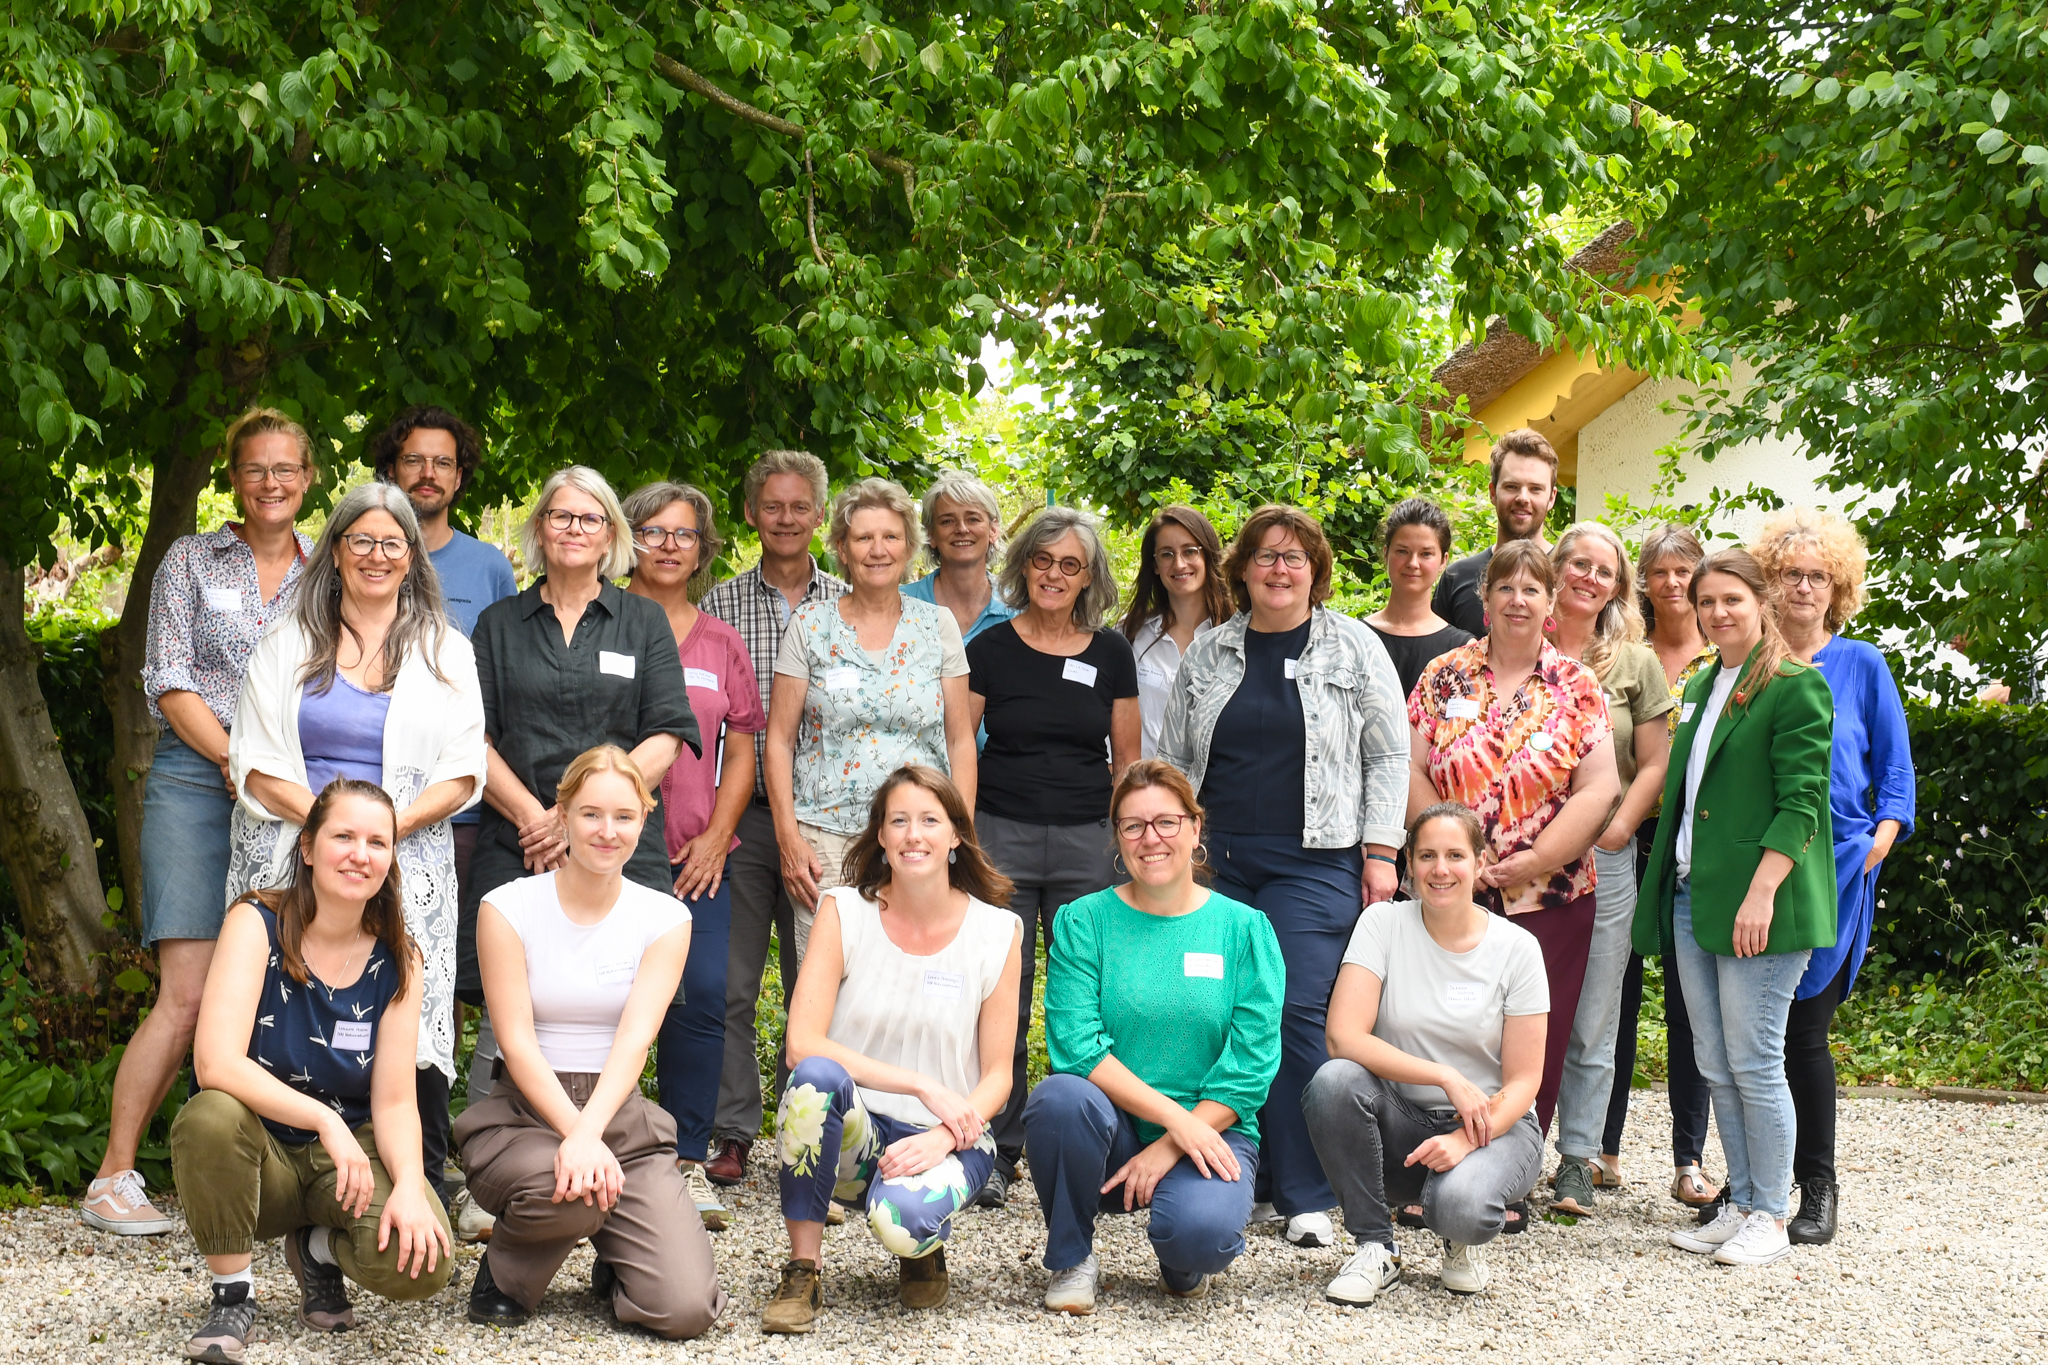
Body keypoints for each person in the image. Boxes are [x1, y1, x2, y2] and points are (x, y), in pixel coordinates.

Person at [225, 482, 487, 1215]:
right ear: (335, 552)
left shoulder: (446, 651)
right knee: (273, 998)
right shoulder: (286, 643)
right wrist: (331, 831)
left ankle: (412, 1182)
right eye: (360, 540)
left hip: (406, 856)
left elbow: (464, 769)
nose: (376, 555)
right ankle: (258, 1185)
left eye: (391, 542)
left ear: (412, 556)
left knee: (405, 1006)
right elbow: (253, 760)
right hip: (291, 846)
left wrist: (379, 835)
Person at [86, 408, 317, 1237]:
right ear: (233, 477)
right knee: (185, 995)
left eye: (285, 468)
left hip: (291, 786)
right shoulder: (189, 558)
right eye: (255, 468)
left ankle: (261, 1176)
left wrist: (270, 774)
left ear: (308, 478)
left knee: (281, 986)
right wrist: (233, 759)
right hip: (195, 777)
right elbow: (169, 676)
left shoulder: (327, 570)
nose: (270, 482)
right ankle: (112, 1177)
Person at [1158, 504, 1408, 1251]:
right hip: (1217, 860)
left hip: (1316, 859)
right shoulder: (1210, 652)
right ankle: (1238, 1173)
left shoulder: (1355, 646)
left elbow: (1388, 755)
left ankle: (1305, 1191)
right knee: (1217, 1009)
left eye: (1294, 557)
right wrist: (1168, 843)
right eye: (1265, 555)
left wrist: (1382, 851)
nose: (1279, 569)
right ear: (1242, 569)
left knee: (1297, 1009)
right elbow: (1174, 757)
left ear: (1315, 570)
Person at [170, 780, 452, 1364]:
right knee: (209, 1115)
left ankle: (317, 1249)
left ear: (391, 858)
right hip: (259, 1152)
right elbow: (214, 1061)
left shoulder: (400, 957)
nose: (360, 854)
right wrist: (325, 1121)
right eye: (343, 836)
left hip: (345, 1161)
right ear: (307, 847)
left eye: (377, 842)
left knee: (425, 1261)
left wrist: (407, 1185)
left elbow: (396, 1101)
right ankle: (233, 1296)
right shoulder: (256, 922)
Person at [456, 746, 725, 1337]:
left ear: (644, 820)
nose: (607, 831)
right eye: (591, 814)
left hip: (619, 1118)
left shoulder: (664, 918)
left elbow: (634, 1042)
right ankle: (504, 1274)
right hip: (525, 1115)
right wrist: (575, 1135)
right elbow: (516, 1043)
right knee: (574, 1193)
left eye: (624, 816)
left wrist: (591, 1132)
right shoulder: (507, 906)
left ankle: (619, 1257)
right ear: (562, 816)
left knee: (684, 1309)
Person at [460, 467, 700, 1107]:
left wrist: (589, 817)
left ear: (610, 535)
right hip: (521, 836)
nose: (575, 528)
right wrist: (540, 820)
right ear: (541, 528)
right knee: (509, 1000)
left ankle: (611, 1131)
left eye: (590, 518)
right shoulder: (498, 624)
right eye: (561, 516)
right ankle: (492, 1136)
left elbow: (668, 733)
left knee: (623, 997)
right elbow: (471, 738)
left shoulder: (643, 622)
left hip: (619, 840)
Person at [760, 766, 1023, 1333]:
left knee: (901, 1224)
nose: (913, 835)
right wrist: (921, 1085)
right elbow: (801, 1043)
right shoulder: (843, 911)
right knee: (814, 1078)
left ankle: (921, 1247)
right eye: (898, 821)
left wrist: (944, 1134)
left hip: (951, 1135)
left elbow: (999, 1077)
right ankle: (803, 1268)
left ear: (956, 835)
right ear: (880, 835)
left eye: (930, 820)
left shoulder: (997, 931)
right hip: (858, 1132)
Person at [1632, 548, 1836, 1269]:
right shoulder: (1703, 681)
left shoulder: (1795, 686)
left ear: (1761, 602)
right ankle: (1744, 1202)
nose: (1718, 612)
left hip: (1760, 904)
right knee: (1715, 1060)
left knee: (1754, 1059)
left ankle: (1773, 1214)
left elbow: (1803, 802)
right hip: (1697, 893)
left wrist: (1762, 891)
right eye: (1706, 601)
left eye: (1731, 599)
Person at [1024, 760, 1284, 1314]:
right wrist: (1172, 1120)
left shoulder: (1244, 929)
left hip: (1211, 1128)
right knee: (1058, 1099)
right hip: (1111, 1129)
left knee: (1200, 1237)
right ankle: (1072, 1256)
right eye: (1134, 825)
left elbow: (1250, 1066)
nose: (1151, 838)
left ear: (1195, 827)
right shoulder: (1084, 922)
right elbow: (1077, 1046)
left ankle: (1182, 1260)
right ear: (1118, 838)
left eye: (1166, 822)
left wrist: (1173, 1142)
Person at [1408, 541, 1620, 1142]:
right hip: (1451, 891)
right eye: (1505, 587)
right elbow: (1410, 768)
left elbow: (1600, 786)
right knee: (1447, 1028)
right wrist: (1455, 856)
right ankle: (1438, 1151)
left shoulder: (1577, 685)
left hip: (1550, 896)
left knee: (1535, 1039)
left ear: (1551, 601)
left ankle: (1512, 1164)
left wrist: (1539, 857)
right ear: (1485, 597)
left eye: (1531, 589)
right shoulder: (1443, 674)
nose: (1517, 600)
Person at [1303, 802, 1548, 1304]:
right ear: (1409, 864)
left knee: (1461, 1208)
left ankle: (1458, 1239)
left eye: (1455, 855)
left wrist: (1465, 1139)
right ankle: (1375, 1247)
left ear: (1480, 863)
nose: (1441, 870)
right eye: (1427, 856)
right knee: (1333, 1081)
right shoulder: (1382, 924)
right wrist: (1444, 1076)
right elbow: (1343, 1037)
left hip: (1493, 1126)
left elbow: (1524, 1081)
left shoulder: (1518, 948)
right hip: (1400, 1123)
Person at [966, 506, 1139, 1208]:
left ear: (1089, 576)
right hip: (999, 834)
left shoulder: (1111, 653)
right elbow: (962, 745)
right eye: (1043, 560)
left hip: (1086, 841)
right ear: (1023, 565)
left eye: (1071, 564)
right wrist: (964, 837)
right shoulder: (990, 648)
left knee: (1088, 995)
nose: (1055, 574)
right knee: (1000, 992)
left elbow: (1127, 759)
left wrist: (1126, 845)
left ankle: (1089, 1141)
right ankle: (995, 1147)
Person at [1753, 508, 1914, 1246]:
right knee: (1750, 1031)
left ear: (1838, 586)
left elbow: (1896, 771)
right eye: (1791, 574)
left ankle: (1817, 1185)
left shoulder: (1863, 664)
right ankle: (1757, 1180)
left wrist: (1880, 839)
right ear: (1770, 582)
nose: (1804, 587)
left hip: (1840, 866)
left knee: (1804, 1028)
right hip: (1760, 865)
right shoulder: (1751, 663)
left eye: (1819, 575)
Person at [699, 450, 847, 1188]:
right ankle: (732, 1128)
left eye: (799, 506)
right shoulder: (718, 605)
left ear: (819, 514)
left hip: (828, 821)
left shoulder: (850, 602)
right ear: (751, 514)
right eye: (772, 506)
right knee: (730, 982)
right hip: (740, 817)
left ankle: (808, 1130)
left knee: (815, 983)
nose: (786, 519)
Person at [621, 479, 766, 1231]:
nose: (668, 545)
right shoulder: (606, 625)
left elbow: (740, 749)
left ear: (704, 548)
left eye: (684, 533)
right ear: (629, 539)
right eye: (653, 530)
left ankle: (684, 1158)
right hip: (611, 854)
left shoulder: (721, 642)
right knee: (603, 1000)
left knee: (704, 997)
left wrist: (716, 835)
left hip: (698, 857)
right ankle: (599, 1149)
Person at [765, 476, 976, 960]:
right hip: (826, 840)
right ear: (842, 548)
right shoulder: (810, 625)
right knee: (828, 978)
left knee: (910, 973)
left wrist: (957, 834)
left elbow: (961, 740)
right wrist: (788, 838)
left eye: (890, 537)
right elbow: (779, 740)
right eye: (863, 537)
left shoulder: (938, 625)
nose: (877, 550)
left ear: (909, 547)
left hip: (917, 840)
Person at [1539, 524, 1671, 1219]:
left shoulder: (1636, 663)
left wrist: (1618, 830)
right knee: (1515, 1004)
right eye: (1578, 564)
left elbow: (1655, 762)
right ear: (1555, 568)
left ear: (1618, 586)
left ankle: (1577, 1158)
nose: (1589, 577)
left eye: (1604, 570)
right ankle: (1506, 1147)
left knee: (1594, 1010)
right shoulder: (1519, 646)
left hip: (1605, 857)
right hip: (1522, 860)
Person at [1602, 523, 1721, 1209]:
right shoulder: (1624, 649)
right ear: (1642, 580)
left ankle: (1689, 1158)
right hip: (1628, 836)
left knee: (1689, 1003)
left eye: (1685, 570)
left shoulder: (1725, 652)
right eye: (1660, 571)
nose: (1673, 583)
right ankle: (1604, 1150)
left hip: (1695, 847)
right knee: (1614, 1000)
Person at [368, 404, 515, 637]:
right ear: (392, 470)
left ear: (458, 478)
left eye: (443, 463)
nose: (428, 473)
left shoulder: (491, 569)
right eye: (413, 460)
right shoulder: (362, 560)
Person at [1119, 505, 1232, 759]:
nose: (1179, 564)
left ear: (1208, 556)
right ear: (1155, 565)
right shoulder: (1130, 635)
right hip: (1147, 780)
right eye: (1167, 554)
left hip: (1218, 781)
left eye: (1190, 551)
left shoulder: (1238, 637)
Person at [1430, 429, 1560, 639]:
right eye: (1512, 486)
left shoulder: (1568, 577)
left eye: (1535, 489)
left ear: (1551, 497)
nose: (1523, 498)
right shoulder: (1457, 578)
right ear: (1492, 492)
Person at [1365, 498, 1474, 699]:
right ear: (1386, 554)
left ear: (1443, 561)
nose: (1413, 563)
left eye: (1426, 554)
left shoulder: (1463, 648)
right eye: (1402, 551)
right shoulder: (1356, 637)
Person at [902, 471, 1017, 643]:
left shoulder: (1017, 607)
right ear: (930, 534)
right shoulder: (900, 604)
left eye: (973, 519)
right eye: (947, 521)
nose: (962, 529)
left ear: (993, 530)